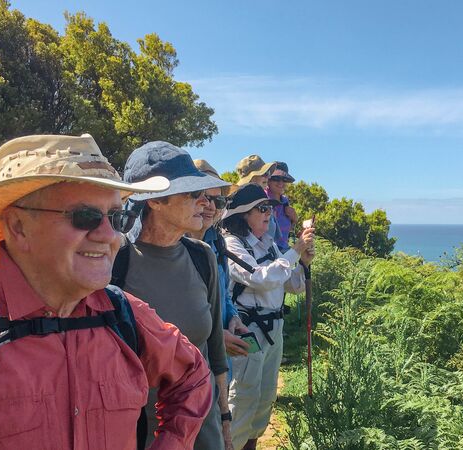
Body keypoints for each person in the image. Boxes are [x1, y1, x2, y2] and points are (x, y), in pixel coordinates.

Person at [0, 134, 213, 449]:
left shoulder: (123, 314)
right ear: (18, 226)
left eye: (118, 217)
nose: (108, 235)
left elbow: (194, 376)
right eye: (85, 217)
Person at [117, 142, 234, 450]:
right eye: (192, 193)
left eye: (205, 194)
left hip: (204, 432)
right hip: (142, 435)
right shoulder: (116, 262)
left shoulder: (202, 256)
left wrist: (224, 419)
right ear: (154, 201)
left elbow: (215, 352)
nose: (204, 202)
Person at [220, 184, 316, 450]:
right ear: (243, 215)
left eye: (269, 209)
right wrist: (295, 251)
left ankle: (251, 444)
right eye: (261, 209)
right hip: (247, 330)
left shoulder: (271, 245)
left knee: (264, 397)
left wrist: (303, 265)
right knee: (242, 396)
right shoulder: (231, 245)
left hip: (274, 330)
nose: (268, 214)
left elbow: (292, 285)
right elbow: (260, 278)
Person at [192, 159, 252, 370]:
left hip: (220, 367)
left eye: (218, 201)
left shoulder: (217, 243)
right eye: (203, 197)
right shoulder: (170, 246)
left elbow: (224, 295)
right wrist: (216, 338)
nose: (210, 206)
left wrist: (234, 317)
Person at [265, 162, 297, 251]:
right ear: (268, 180)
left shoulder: (285, 202)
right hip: (267, 252)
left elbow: (286, 231)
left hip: (284, 250)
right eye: (276, 178)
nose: (281, 183)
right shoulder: (262, 198)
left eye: (284, 179)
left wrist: (294, 220)